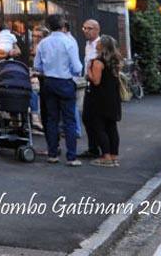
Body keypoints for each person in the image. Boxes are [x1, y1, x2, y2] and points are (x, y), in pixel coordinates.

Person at [33, 14, 83, 165]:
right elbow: (77, 67)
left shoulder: (43, 43)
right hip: (65, 82)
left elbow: (37, 65)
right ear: (63, 26)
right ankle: (71, 156)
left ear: (48, 26)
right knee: (69, 120)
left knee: (51, 119)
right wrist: (74, 73)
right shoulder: (69, 42)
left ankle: (53, 153)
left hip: (48, 82)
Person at [85, 35, 123, 167]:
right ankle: (114, 156)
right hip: (113, 97)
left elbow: (96, 81)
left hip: (100, 98)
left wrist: (88, 72)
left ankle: (106, 156)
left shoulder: (98, 61)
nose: (96, 44)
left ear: (102, 46)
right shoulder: (115, 60)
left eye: (99, 42)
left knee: (99, 127)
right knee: (111, 127)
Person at [80, 19, 102, 158]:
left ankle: (100, 148)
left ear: (97, 30)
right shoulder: (87, 45)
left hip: (97, 84)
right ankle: (93, 147)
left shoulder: (100, 45)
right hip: (89, 83)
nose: (86, 31)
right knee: (87, 117)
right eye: (84, 28)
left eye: (89, 28)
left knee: (96, 118)